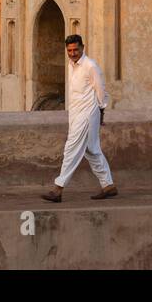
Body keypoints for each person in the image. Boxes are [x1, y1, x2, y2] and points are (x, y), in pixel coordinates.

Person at [41, 34, 117, 203]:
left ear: (83, 47)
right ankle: (108, 185)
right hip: (76, 114)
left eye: (76, 49)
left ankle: (58, 189)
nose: (73, 53)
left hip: (87, 114)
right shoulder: (71, 65)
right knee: (92, 150)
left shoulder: (90, 66)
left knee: (71, 149)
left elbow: (101, 91)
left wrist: (101, 112)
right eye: (70, 50)